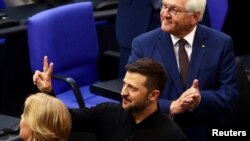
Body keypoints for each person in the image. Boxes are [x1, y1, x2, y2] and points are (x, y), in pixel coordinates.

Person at [128, 0, 239, 141]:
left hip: (205, 131)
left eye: (174, 10)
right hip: (157, 133)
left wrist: (199, 99)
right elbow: (132, 96)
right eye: (164, 6)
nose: (164, 14)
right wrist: (171, 107)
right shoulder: (143, 45)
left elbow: (230, 96)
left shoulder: (221, 43)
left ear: (194, 17)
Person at [33, 56, 188, 141]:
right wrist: (48, 92)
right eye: (124, 85)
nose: (123, 92)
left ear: (154, 95)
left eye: (132, 88)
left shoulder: (171, 136)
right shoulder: (107, 112)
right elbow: (65, 118)